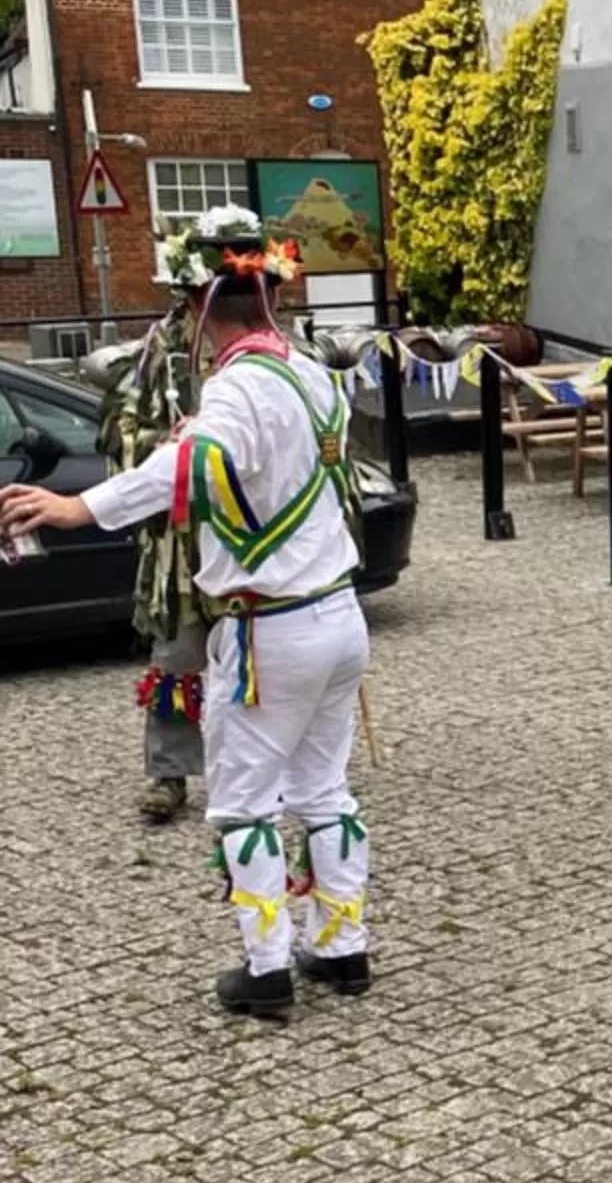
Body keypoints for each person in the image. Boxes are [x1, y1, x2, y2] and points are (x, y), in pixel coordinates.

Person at [1, 229, 372, 1020]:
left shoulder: (237, 388)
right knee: (324, 789)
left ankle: (267, 968)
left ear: (200, 308)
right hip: (337, 615)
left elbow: (191, 466)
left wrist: (77, 506)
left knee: (244, 803)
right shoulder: (314, 378)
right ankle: (342, 951)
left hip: (268, 630)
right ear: (271, 296)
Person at [98, 214, 233, 822]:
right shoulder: (161, 349)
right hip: (182, 541)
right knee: (178, 654)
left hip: (252, 537)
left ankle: (273, 765)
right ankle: (171, 774)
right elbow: (120, 429)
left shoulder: (276, 350)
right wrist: (166, 451)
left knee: (268, 653)